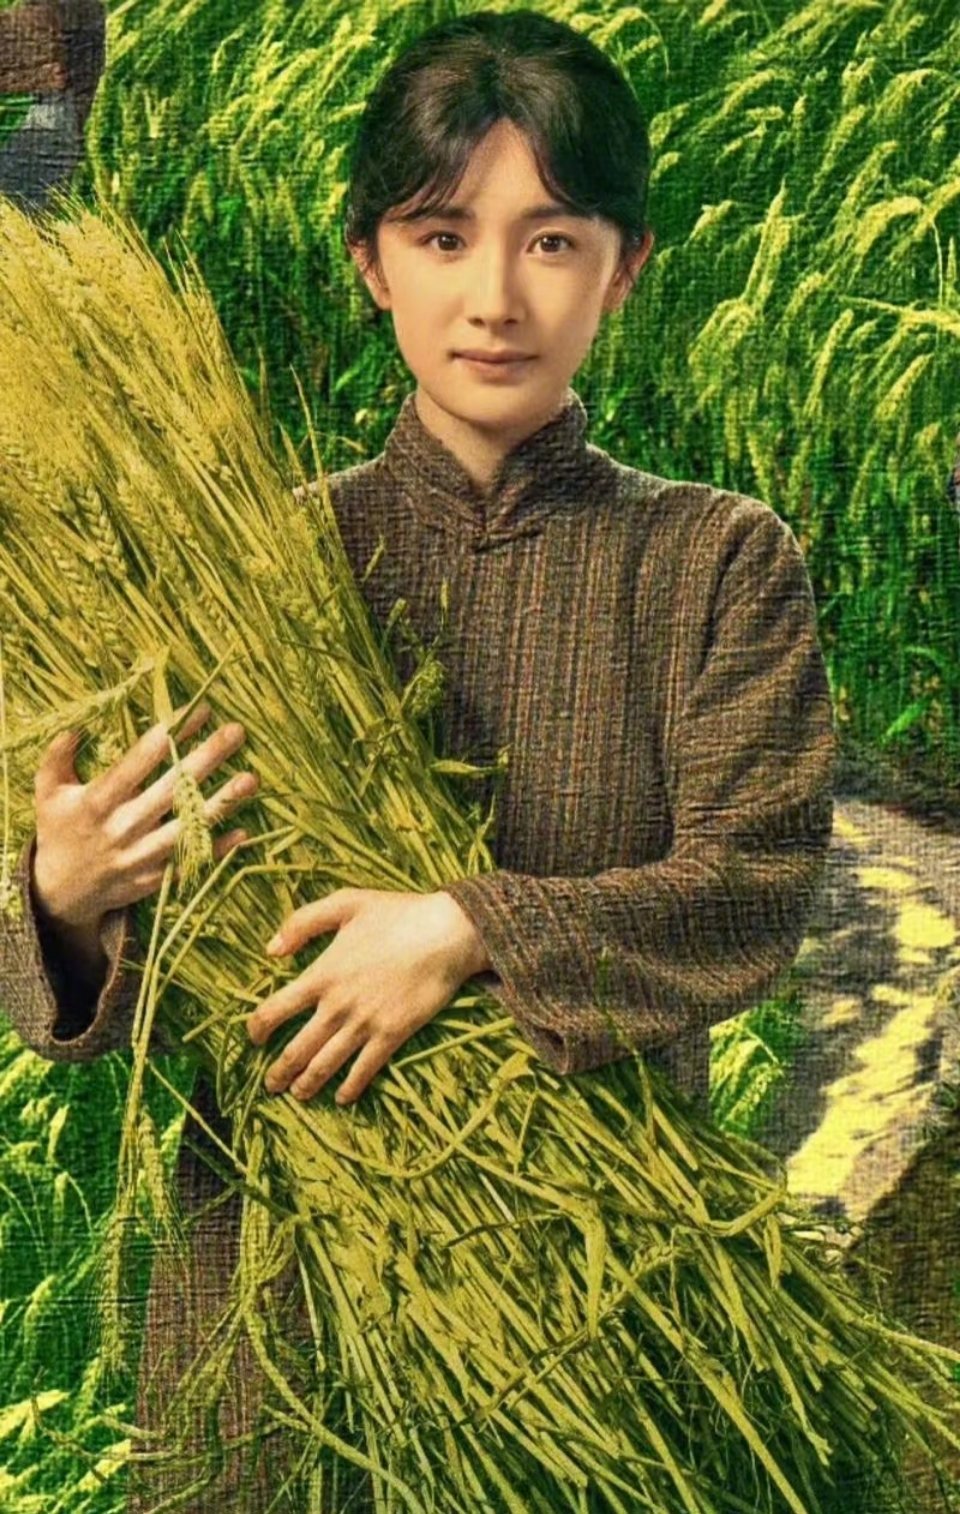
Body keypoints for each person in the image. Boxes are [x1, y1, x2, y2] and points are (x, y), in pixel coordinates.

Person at [0, 9, 836, 1510]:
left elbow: (752, 890)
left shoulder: (715, 560)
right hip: (268, 1329)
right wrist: (64, 897)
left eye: (553, 241)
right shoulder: (233, 556)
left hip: (601, 1309)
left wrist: (467, 927)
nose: (495, 298)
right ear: (372, 264)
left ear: (625, 269)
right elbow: (135, 1010)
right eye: (442, 238)